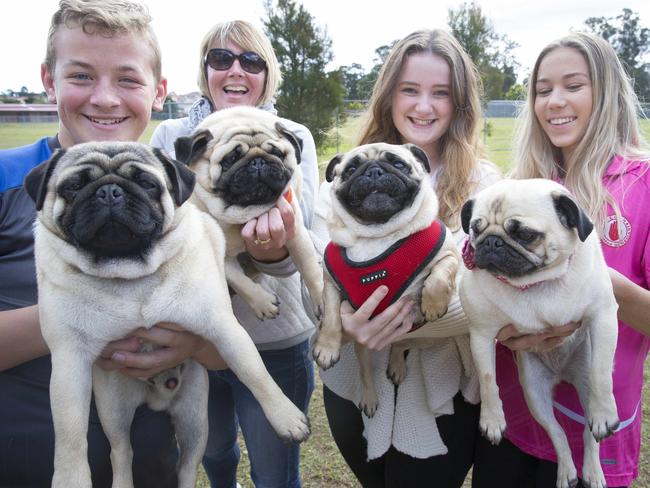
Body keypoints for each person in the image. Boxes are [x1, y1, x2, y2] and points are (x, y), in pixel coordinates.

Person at [0, 1, 229, 486]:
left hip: (150, 462)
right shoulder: (6, 178)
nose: (105, 98)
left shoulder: (172, 194)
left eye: (127, 79)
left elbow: (224, 347)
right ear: (48, 79)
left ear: (158, 91)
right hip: (24, 459)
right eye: (81, 75)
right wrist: (83, 317)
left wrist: (192, 339)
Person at [312, 29, 500, 487]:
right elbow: (316, 280)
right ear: (388, 95)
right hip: (355, 385)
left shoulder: (485, 183)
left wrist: (402, 318)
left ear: (460, 104)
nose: (423, 106)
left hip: (444, 386)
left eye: (441, 93)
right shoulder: (341, 176)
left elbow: (490, 293)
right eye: (410, 90)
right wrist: (338, 319)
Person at [471, 32, 650, 488]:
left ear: (606, 90)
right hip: (515, 420)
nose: (555, 101)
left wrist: (601, 288)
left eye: (573, 85)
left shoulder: (644, 183)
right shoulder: (521, 189)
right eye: (543, 89)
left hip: (598, 422)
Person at [150, 20, 318, 488]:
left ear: (269, 72)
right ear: (205, 71)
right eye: (221, 59)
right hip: (194, 341)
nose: (235, 70)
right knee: (214, 452)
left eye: (251, 60)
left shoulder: (292, 133)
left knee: (276, 470)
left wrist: (268, 253)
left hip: (277, 338)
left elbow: (305, 232)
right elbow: (162, 235)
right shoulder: (173, 137)